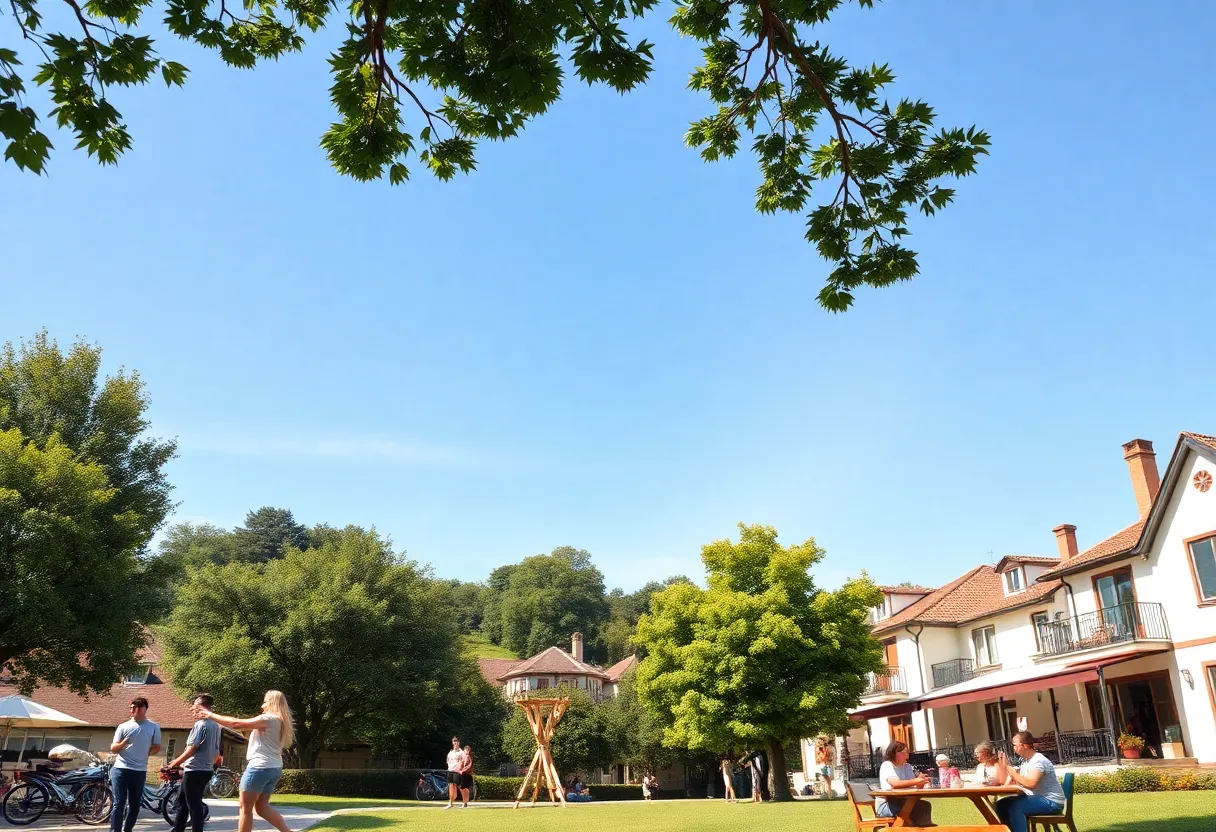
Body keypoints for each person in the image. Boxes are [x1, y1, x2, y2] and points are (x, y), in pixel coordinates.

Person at [193, 690, 295, 832]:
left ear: (272, 703)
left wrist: (209, 714)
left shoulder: (269, 719)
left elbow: (236, 723)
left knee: (245, 808)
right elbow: (243, 729)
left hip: (259, 768)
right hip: (274, 768)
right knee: (261, 807)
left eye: (265, 702)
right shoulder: (279, 721)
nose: (262, 705)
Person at [168, 694, 223, 832]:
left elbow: (192, 748)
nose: (192, 709)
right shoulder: (215, 726)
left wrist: (175, 763)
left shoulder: (200, 724)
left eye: (194, 706)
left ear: (200, 706)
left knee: (194, 805)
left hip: (194, 770)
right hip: (205, 770)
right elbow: (216, 752)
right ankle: (178, 829)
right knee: (183, 802)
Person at [109, 696, 162, 832]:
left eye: (135, 707)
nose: (132, 710)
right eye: (131, 707)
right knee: (118, 803)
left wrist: (145, 752)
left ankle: (128, 829)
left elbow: (157, 747)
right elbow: (113, 748)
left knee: (135, 804)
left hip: (139, 770)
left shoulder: (154, 727)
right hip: (120, 769)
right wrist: (123, 743)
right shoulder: (123, 726)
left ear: (143, 709)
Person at [994, 732, 1066, 832]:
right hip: (1037, 798)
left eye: (1014, 745)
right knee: (1002, 804)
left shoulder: (1038, 761)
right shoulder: (1025, 761)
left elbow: (1031, 784)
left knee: (1016, 807)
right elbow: (1020, 781)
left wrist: (1013, 773)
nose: (1013, 748)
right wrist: (1005, 765)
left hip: (1051, 801)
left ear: (1025, 745)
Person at [874, 741, 933, 826]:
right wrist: (916, 781)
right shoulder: (887, 765)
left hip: (904, 801)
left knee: (924, 805)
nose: (908, 756)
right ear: (897, 753)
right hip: (886, 805)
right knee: (913, 807)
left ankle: (923, 828)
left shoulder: (907, 766)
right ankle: (916, 827)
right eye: (906, 752)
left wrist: (922, 782)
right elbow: (895, 784)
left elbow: (913, 785)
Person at [444, 737, 465, 809]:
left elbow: (464, 762)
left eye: (457, 741)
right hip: (450, 771)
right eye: (454, 741)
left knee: (460, 787)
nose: (455, 743)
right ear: (452, 743)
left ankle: (464, 802)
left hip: (457, 772)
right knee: (451, 787)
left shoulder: (462, 752)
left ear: (459, 742)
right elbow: (448, 761)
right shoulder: (450, 753)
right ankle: (450, 803)